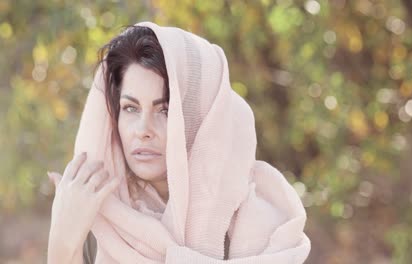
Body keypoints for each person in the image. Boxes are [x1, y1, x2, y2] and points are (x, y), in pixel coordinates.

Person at [47, 21, 310, 264]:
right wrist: (62, 241)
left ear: (201, 119)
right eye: (130, 108)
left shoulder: (260, 219)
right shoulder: (103, 220)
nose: (143, 131)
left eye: (165, 111)